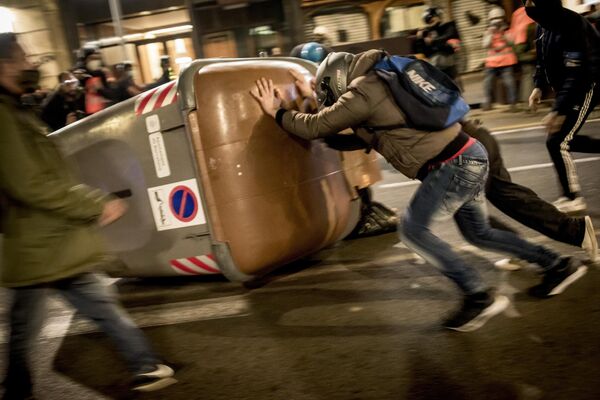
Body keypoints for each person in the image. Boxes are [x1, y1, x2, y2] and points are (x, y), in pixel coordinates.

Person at [251, 50, 587, 332]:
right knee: (479, 233)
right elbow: (344, 132)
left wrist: (277, 111)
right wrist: (309, 97)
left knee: (413, 230)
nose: (332, 98)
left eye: (329, 92)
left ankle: (478, 296)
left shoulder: (363, 92)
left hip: (453, 164)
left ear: (337, 80)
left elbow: (318, 126)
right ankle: (557, 265)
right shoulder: (379, 82)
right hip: (466, 155)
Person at [0, 33, 176, 399]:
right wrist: (94, 204)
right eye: (22, 57)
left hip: (50, 239)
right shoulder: (3, 116)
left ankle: (144, 366)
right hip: (41, 241)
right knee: (36, 321)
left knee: (61, 314)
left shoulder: (15, 108)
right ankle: (144, 365)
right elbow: (30, 183)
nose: (31, 62)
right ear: (3, 65)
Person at [461, 120, 597, 267]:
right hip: (475, 137)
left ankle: (543, 249)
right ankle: (569, 232)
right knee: (506, 196)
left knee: (471, 212)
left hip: (467, 146)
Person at [526, 0, 600, 213]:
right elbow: (541, 58)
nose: (529, 6)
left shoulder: (572, 24)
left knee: (557, 141)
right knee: (567, 139)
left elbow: (577, 73)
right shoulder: (542, 24)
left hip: (588, 85)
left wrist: (558, 110)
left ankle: (572, 197)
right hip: (570, 86)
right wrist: (538, 86)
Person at [482, 7, 518, 112]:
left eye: (498, 18)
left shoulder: (507, 30)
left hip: (506, 61)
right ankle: (487, 103)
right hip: (492, 62)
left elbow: (512, 42)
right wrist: (490, 34)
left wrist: (503, 33)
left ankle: (513, 103)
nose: (496, 21)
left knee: (509, 82)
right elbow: (485, 45)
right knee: (488, 82)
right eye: (494, 18)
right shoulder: (488, 31)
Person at [413, 7, 461, 80]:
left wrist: (433, 41)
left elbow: (450, 38)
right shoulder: (427, 31)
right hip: (435, 66)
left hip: (448, 64)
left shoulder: (449, 27)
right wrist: (420, 39)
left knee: (452, 86)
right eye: (428, 21)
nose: (430, 21)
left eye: (432, 19)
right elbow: (422, 50)